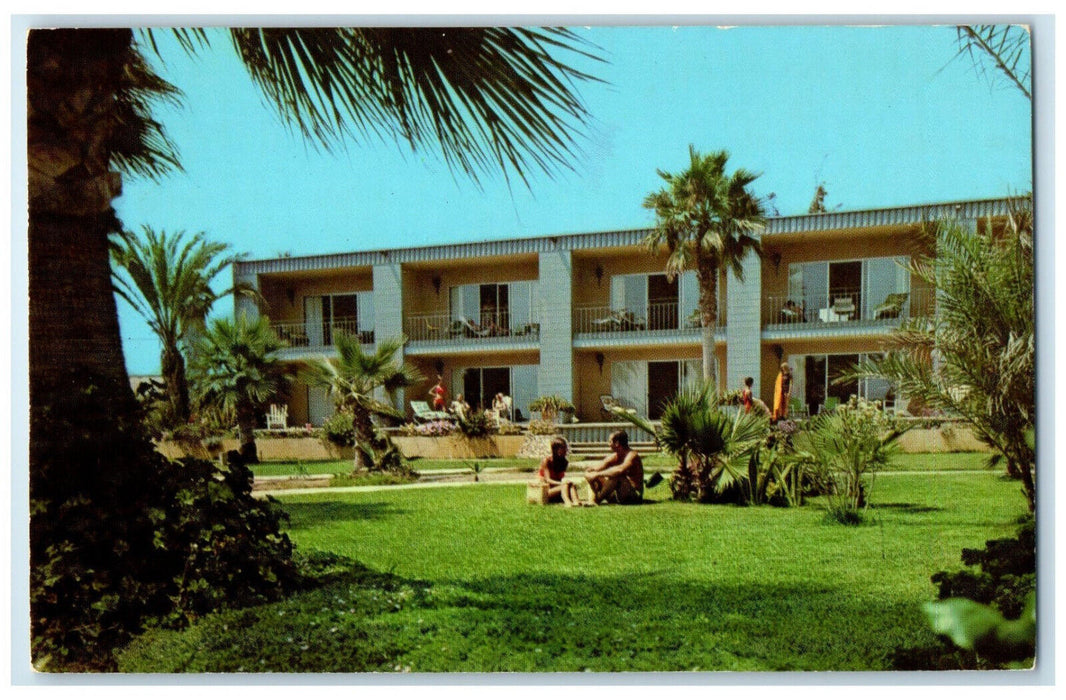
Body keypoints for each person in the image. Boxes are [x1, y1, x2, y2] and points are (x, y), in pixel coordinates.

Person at [583, 430, 644, 505]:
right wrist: (588, 473)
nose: (608, 444)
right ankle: (592, 501)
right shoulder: (614, 456)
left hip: (634, 495)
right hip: (618, 494)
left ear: (617, 443)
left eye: (610, 441)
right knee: (594, 475)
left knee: (616, 476)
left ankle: (597, 500)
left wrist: (597, 474)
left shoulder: (632, 456)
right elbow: (596, 468)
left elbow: (620, 470)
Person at [538, 437, 579, 505]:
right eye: (562, 448)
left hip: (558, 489)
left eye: (565, 448)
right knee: (565, 485)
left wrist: (565, 483)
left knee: (571, 485)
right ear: (555, 449)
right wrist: (562, 483)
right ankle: (567, 502)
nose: (565, 450)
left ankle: (577, 502)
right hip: (546, 491)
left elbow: (560, 479)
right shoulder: (547, 461)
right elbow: (548, 480)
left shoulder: (564, 462)